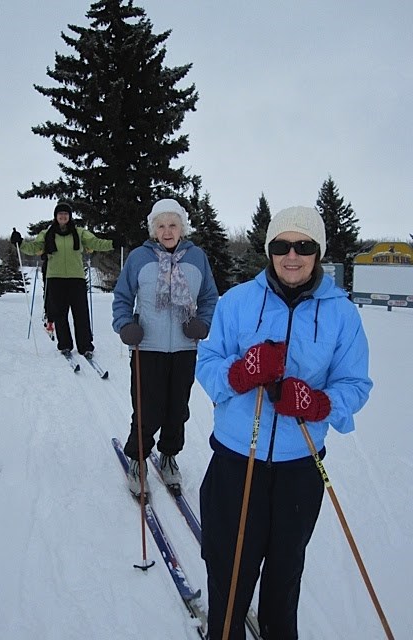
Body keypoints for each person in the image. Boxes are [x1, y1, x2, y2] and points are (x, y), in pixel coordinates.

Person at [196, 206, 372, 640]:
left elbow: (356, 384)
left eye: (304, 246)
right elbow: (207, 363)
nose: (292, 256)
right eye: (282, 246)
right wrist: (239, 374)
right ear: (269, 250)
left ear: (318, 252)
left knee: (286, 567)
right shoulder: (237, 302)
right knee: (230, 565)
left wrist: (315, 403)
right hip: (237, 461)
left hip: (300, 467)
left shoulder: (342, 314)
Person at [112, 198, 219, 495]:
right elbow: (122, 296)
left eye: (173, 224)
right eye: (161, 225)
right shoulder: (138, 258)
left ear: (182, 227)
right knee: (147, 408)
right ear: (153, 229)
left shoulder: (197, 257)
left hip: (185, 348)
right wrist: (125, 325)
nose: (167, 231)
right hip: (146, 347)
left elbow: (210, 297)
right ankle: (137, 459)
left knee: (177, 409)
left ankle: (169, 456)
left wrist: (203, 324)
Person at [11, 202, 113, 357]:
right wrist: (20, 242)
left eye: (66, 214)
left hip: (76, 278)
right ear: (56, 216)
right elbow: (34, 248)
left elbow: (95, 243)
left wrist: (113, 243)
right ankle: (65, 344)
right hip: (55, 278)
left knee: (81, 313)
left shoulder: (79, 233)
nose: (63, 216)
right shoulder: (47, 234)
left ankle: (85, 346)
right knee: (59, 314)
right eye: (60, 214)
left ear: (70, 216)